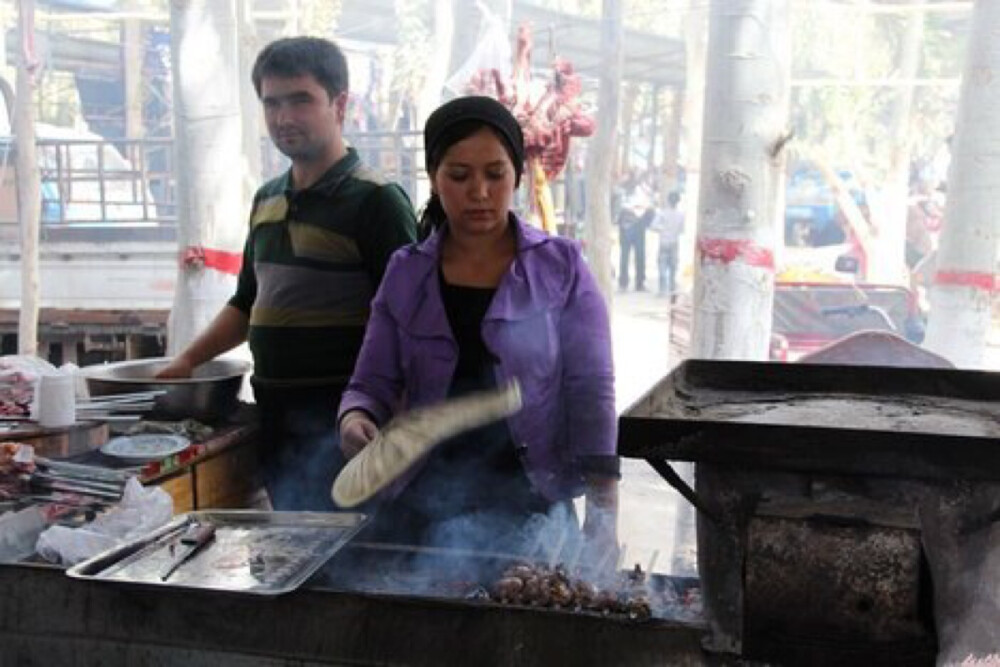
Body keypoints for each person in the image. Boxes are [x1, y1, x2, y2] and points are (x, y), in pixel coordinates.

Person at [338, 96, 619, 559]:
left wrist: (604, 515)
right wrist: (356, 418)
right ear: (434, 178)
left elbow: (592, 390)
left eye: (495, 174)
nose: (480, 192)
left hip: (532, 510)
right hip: (422, 509)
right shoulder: (405, 273)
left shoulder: (560, 266)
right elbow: (370, 382)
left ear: (517, 176)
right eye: (459, 175)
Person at [157, 37, 417, 510]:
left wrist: (394, 420)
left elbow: (411, 323)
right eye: (271, 103)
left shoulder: (377, 200)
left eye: (301, 100)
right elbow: (247, 302)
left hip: (345, 421)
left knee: (354, 559)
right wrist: (187, 362)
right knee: (294, 548)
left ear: (339, 105)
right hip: (276, 416)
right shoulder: (267, 199)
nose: (283, 117)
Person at [616, 174, 654, 292]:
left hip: (626, 229)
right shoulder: (642, 195)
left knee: (625, 256)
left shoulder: (621, 195)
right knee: (639, 256)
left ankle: (624, 283)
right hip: (638, 228)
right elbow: (650, 210)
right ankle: (639, 283)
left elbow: (617, 215)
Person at [652, 191, 684, 299]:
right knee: (673, 266)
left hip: (664, 242)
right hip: (674, 242)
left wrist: (663, 230)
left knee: (662, 265)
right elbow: (681, 230)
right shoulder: (681, 214)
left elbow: (654, 226)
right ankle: (672, 289)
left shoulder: (662, 213)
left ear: (668, 201)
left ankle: (662, 290)